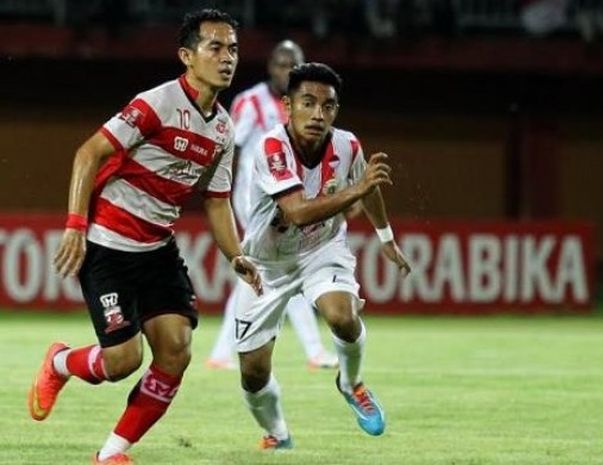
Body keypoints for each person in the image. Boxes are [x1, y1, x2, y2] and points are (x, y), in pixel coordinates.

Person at [27, 9, 261, 465]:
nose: (227, 57)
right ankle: (59, 362)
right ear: (186, 56)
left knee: (176, 349)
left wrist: (236, 255)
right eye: (214, 47)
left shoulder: (223, 129)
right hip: (108, 248)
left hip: (157, 250)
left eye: (233, 48)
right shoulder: (157, 103)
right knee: (122, 363)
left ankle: (112, 453)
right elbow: (88, 152)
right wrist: (76, 225)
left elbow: (216, 201)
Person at [234, 62, 411, 450]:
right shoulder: (271, 147)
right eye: (308, 103)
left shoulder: (347, 145)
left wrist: (385, 237)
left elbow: (370, 186)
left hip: (321, 250)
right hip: (266, 264)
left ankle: (351, 384)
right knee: (253, 371)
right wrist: (356, 189)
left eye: (328, 106)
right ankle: (278, 435)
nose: (318, 114)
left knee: (343, 318)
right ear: (287, 105)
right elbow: (296, 212)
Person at [207, 40, 338, 371]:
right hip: (255, 200)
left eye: (293, 64)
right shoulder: (250, 101)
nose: (286, 71)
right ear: (270, 67)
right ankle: (313, 351)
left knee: (261, 271)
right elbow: (229, 148)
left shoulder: (305, 105)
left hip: (290, 198)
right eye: (281, 64)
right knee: (285, 268)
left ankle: (222, 352)